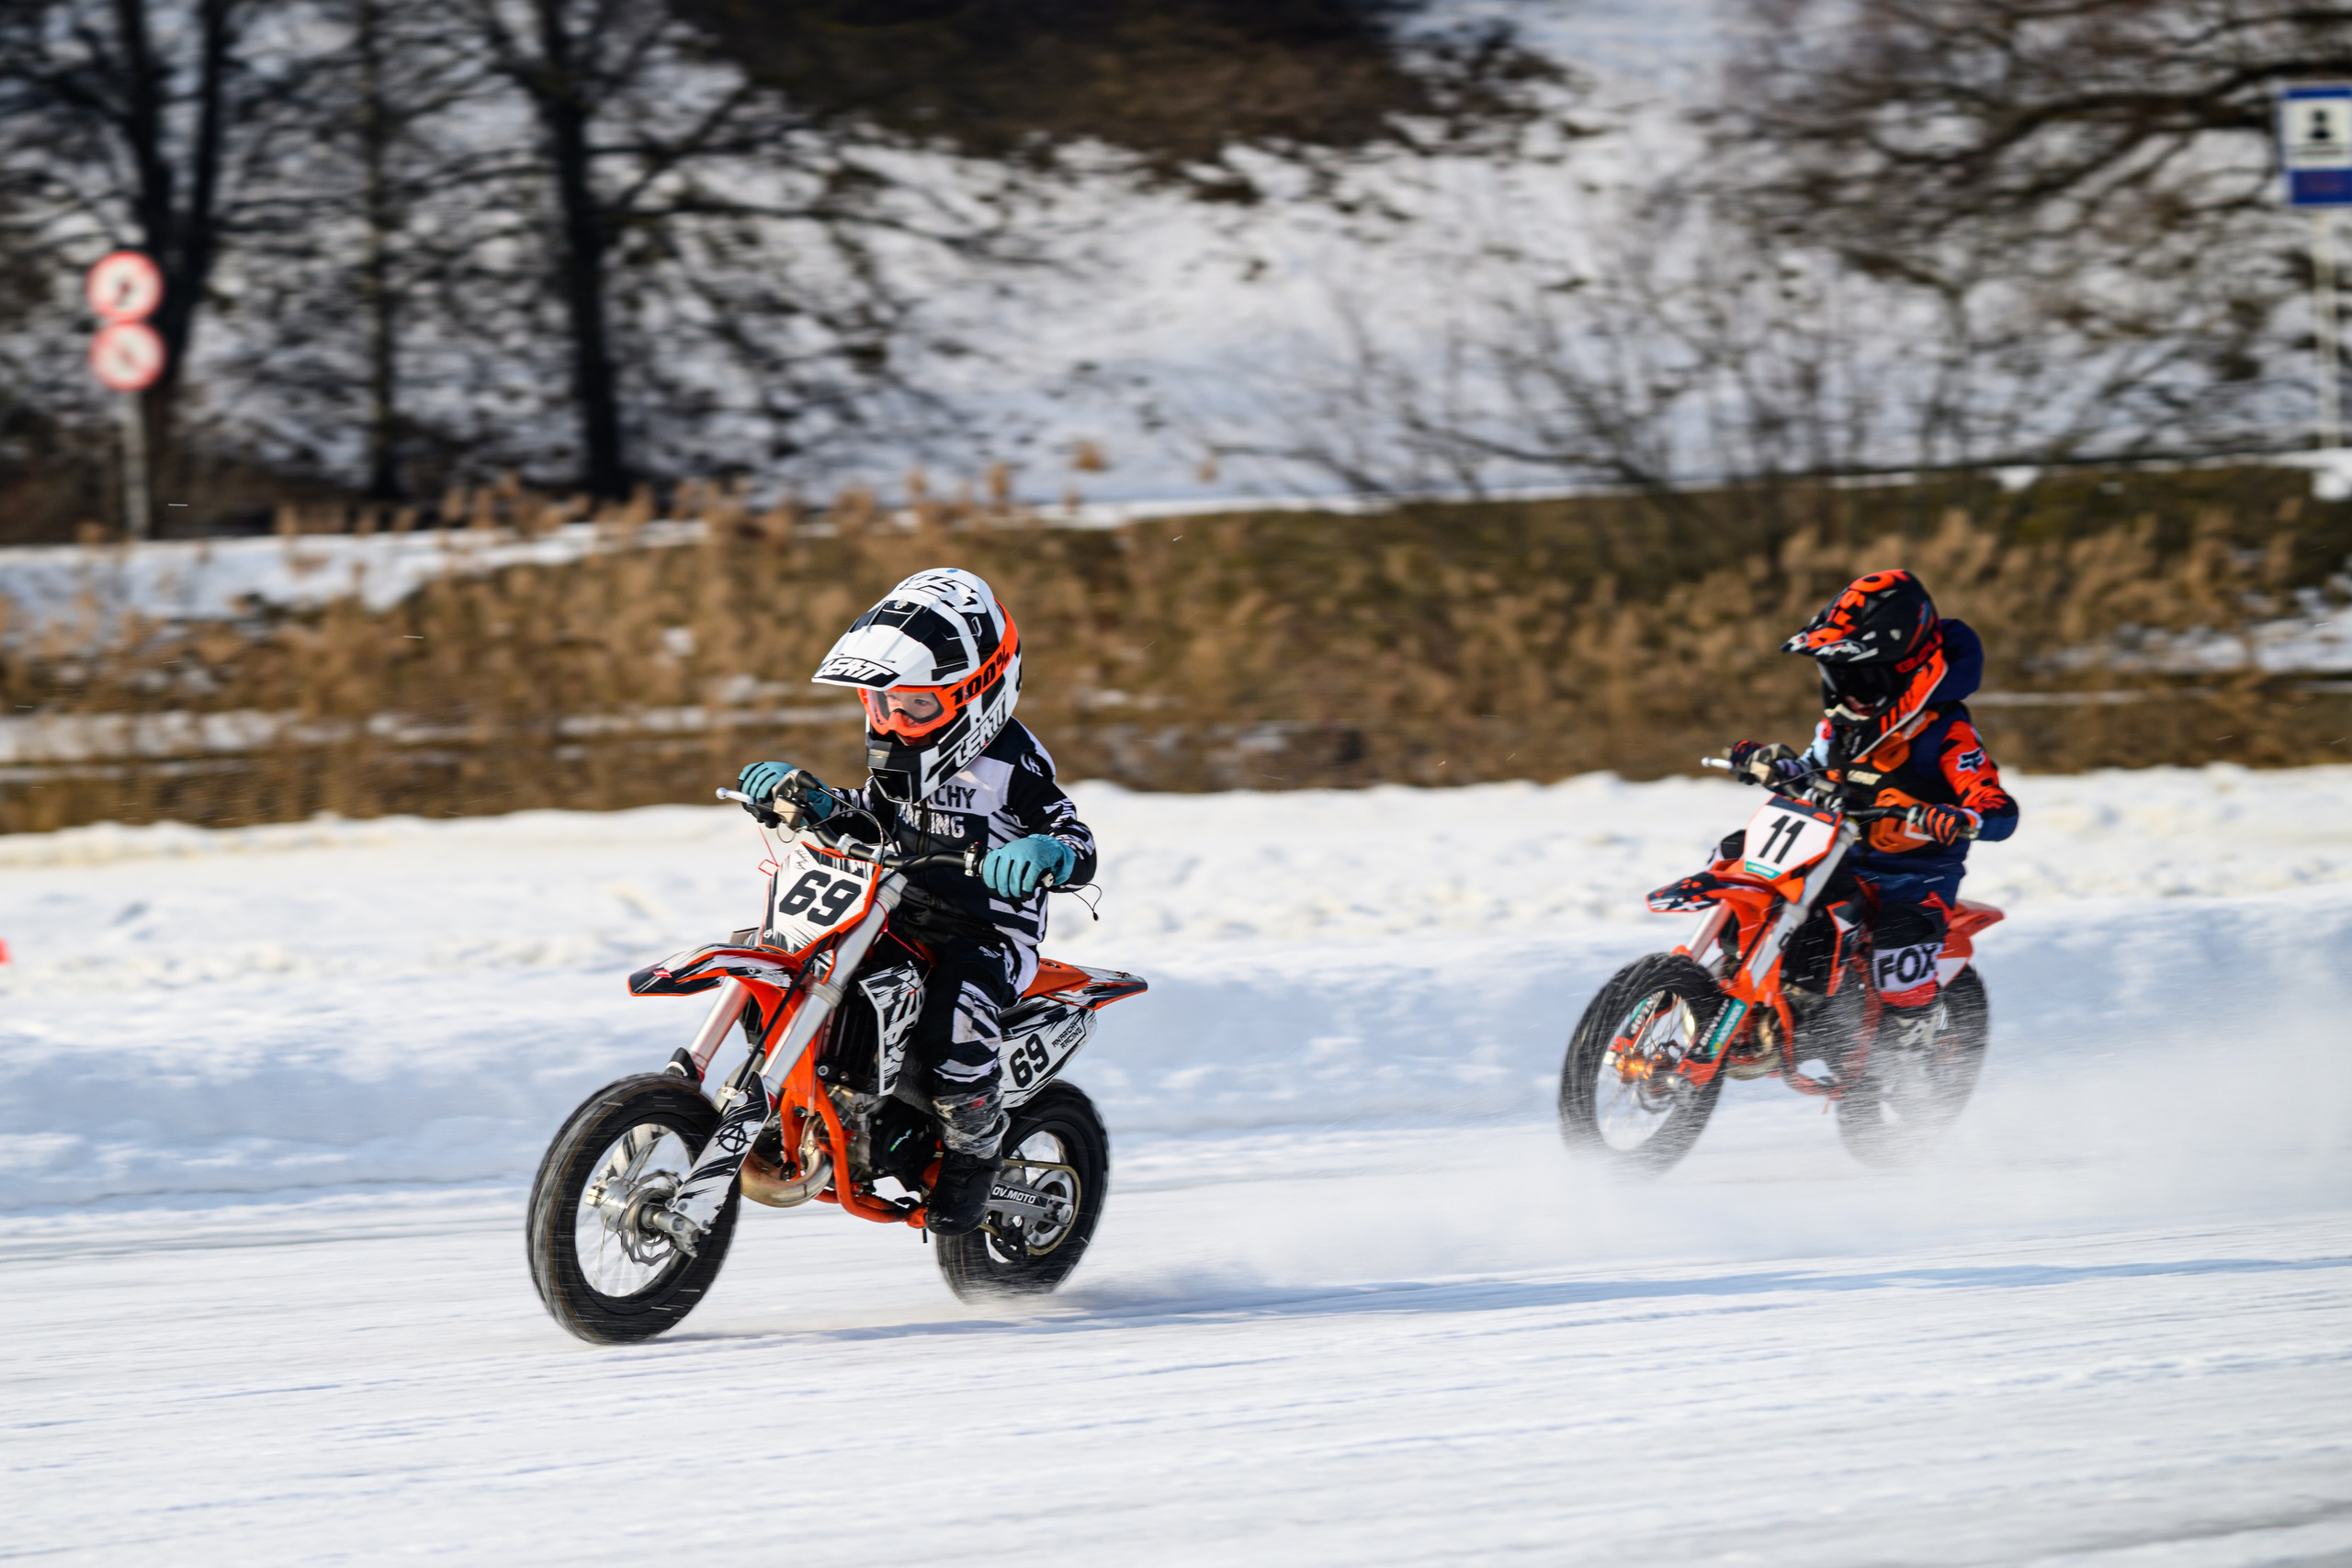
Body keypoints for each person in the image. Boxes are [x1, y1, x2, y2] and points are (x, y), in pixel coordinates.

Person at [736, 568, 1098, 1235]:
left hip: (983, 932)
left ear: (976, 695)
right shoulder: (902, 757)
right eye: (881, 704)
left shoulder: (1013, 766)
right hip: (893, 909)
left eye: (917, 706)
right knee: (786, 954)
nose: (896, 723)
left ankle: (973, 1155)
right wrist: (813, 800)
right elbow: (869, 819)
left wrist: (1047, 853)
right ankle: (792, 1099)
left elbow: (1075, 837)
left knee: (954, 1017)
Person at [1726, 570, 2018, 1051]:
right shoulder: (1840, 726)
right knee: (1741, 854)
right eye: (1836, 676)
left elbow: (1995, 806)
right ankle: (1735, 983)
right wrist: (1771, 763)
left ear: (1906, 672)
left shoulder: (1946, 733)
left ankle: (1910, 1032)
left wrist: (1960, 818)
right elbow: (1811, 768)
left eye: (1859, 676)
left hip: (1909, 876)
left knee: (1898, 941)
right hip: (1834, 857)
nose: (1846, 692)